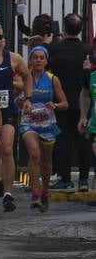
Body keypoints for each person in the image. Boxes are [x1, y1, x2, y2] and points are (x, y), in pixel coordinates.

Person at [0, 21, 31, 212]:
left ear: (4, 39)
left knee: (7, 149)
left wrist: (28, 98)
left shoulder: (14, 58)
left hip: (7, 111)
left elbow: (27, 77)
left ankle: (8, 194)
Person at [46, 14, 93, 191]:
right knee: (83, 141)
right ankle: (83, 179)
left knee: (62, 140)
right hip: (84, 101)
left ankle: (65, 178)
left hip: (61, 101)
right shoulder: (87, 49)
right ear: (80, 29)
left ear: (64, 28)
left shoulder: (54, 49)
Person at [20, 45, 67, 212]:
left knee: (46, 162)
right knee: (34, 154)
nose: (38, 60)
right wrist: (21, 102)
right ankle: (35, 192)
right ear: (30, 60)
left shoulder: (53, 79)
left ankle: (45, 191)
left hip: (47, 124)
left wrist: (54, 104)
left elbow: (64, 103)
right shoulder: (24, 78)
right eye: (35, 57)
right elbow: (16, 98)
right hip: (28, 122)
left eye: (42, 57)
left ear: (46, 61)